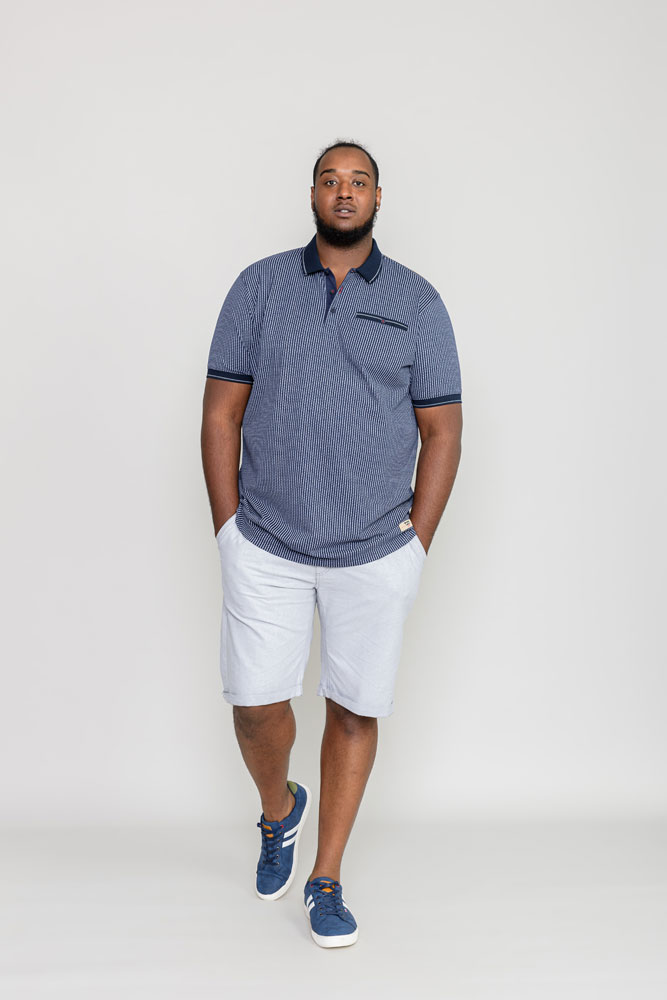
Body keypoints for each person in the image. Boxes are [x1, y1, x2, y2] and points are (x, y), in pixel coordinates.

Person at [200, 140, 463, 948]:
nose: (343, 192)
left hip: (375, 550)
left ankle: (326, 877)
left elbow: (442, 430)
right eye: (329, 180)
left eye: (358, 182)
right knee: (254, 705)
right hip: (266, 540)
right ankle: (278, 811)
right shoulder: (258, 287)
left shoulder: (417, 301)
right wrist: (228, 529)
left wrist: (415, 544)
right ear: (311, 194)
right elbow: (220, 413)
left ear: (378, 198)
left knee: (353, 709)